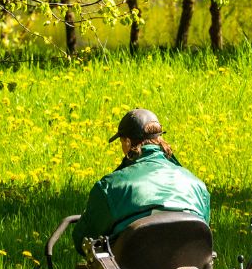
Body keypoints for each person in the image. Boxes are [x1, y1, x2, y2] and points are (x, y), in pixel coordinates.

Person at [72, 108, 210, 253]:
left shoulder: (110, 187)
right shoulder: (197, 185)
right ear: (160, 139)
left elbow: (83, 239)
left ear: (127, 142)